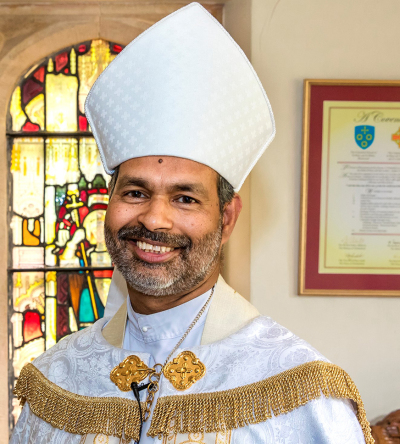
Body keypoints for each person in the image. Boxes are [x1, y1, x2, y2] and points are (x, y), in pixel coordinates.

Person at [11, 3, 373, 443]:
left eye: (185, 198)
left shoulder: (301, 395)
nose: (154, 218)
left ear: (228, 216)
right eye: (135, 192)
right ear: (109, 203)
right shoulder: (55, 381)